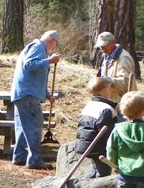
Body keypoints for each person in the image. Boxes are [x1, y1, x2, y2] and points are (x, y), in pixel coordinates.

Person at [10, 30, 62, 169]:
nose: (54, 48)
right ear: (52, 41)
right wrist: (49, 60)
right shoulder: (38, 47)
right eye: (55, 44)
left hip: (23, 93)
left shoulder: (34, 47)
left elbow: (35, 76)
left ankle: (19, 156)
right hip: (28, 95)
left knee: (22, 126)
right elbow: (29, 65)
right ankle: (34, 160)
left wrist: (46, 94)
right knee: (35, 123)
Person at [74, 77, 118, 177]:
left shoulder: (89, 105)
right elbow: (108, 132)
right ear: (103, 91)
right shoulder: (107, 109)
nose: (111, 90)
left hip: (85, 144)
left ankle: (90, 180)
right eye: (109, 88)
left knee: (95, 167)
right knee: (103, 172)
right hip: (99, 146)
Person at [95, 31, 137, 104]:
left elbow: (126, 83)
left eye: (104, 45)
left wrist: (107, 81)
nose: (102, 48)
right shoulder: (105, 56)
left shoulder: (124, 58)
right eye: (100, 46)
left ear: (112, 42)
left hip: (123, 104)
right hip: (109, 101)